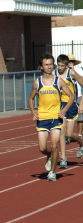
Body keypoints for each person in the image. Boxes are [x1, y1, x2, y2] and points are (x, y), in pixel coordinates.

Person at [28, 53, 75, 181]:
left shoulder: (58, 81)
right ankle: (49, 155)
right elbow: (31, 98)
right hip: (42, 118)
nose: (49, 67)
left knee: (54, 145)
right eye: (46, 65)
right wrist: (33, 112)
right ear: (41, 67)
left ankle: (52, 172)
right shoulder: (37, 82)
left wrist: (64, 110)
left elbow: (71, 96)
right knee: (42, 147)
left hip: (55, 118)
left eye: (50, 64)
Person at [54, 54, 83, 169]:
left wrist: (81, 103)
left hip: (71, 105)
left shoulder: (71, 73)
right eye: (58, 65)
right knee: (62, 133)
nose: (60, 68)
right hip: (60, 106)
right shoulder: (55, 74)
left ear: (66, 65)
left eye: (62, 65)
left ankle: (81, 143)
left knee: (70, 134)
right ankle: (64, 159)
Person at [67, 54, 83, 138]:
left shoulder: (79, 70)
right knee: (68, 116)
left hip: (79, 95)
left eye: (71, 61)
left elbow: (82, 82)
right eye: (68, 62)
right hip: (68, 97)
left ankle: (80, 134)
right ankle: (67, 135)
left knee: (80, 117)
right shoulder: (64, 72)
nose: (69, 63)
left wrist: (74, 72)